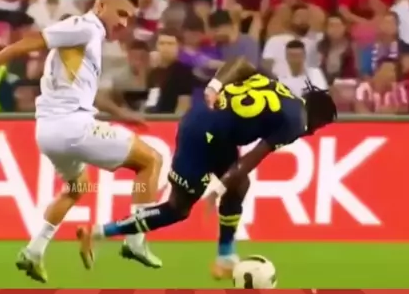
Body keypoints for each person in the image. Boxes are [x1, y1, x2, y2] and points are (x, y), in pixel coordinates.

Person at [0, 0, 163, 282]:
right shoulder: (85, 26)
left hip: (49, 131)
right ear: (101, 6)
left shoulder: (86, 40)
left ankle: (33, 252)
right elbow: (34, 40)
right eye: (120, 13)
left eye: (128, 18)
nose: (123, 22)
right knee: (151, 161)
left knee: (78, 187)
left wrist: (122, 113)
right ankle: (135, 241)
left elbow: (89, 93)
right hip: (73, 127)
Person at [78, 58, 337, 279]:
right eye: (320, 126)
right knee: (178, 209)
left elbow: (241, 63)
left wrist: (215, 85)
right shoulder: (297, 122)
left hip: (209, 124)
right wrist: (217, 190)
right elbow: (248, 161)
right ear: (316, 116)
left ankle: (225, 256)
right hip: (201, 136)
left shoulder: (281, 90)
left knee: (239, 186)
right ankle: (99, 232)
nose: (315, 132)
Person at [144, 29, 195, 115]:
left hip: (171, 119)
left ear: (179, 46)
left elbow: (184, 105)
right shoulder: (153, 73)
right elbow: (151, 102)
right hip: (153, 118)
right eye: (162, 43)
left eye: (170, 44)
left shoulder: (184, 72)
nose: (166, 47)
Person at [262, 2, 321, 76]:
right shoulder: (275, 40)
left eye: (306, 17)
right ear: (291, 20)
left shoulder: (313, 43)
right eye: (299, 16)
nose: (303, 20)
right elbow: (266, 66)